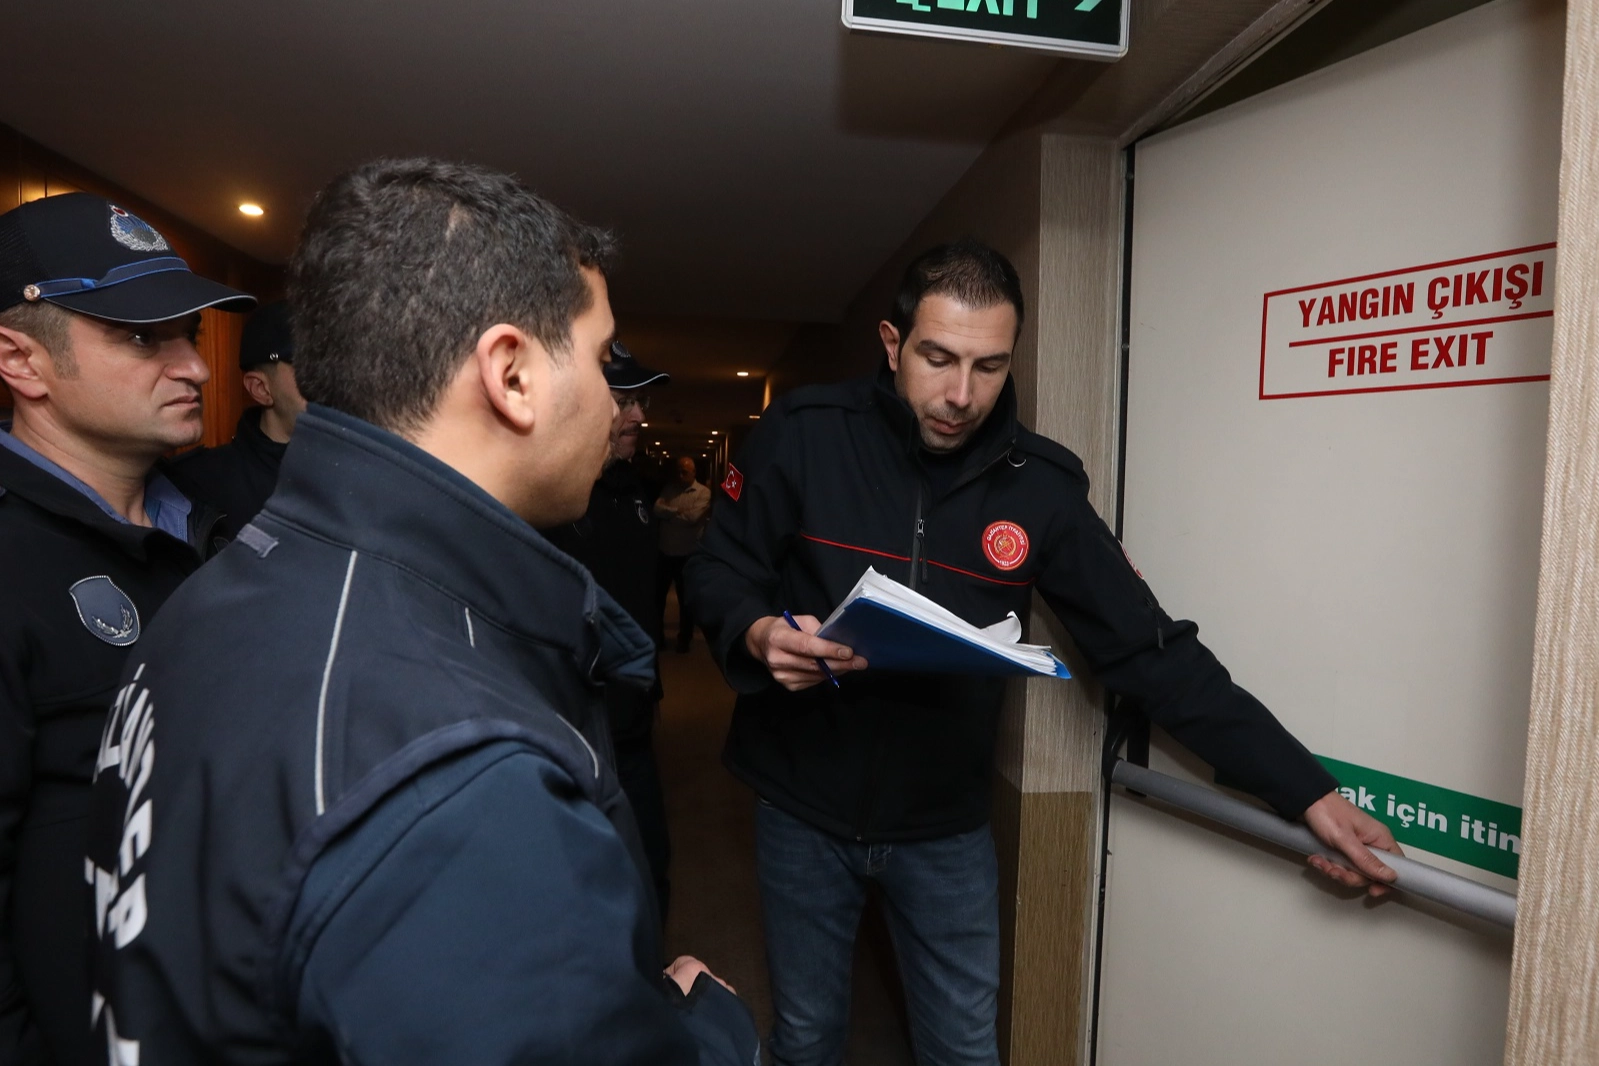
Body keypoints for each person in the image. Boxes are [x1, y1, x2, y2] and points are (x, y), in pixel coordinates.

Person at [86, 158, 757, 1066]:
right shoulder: (465, 781)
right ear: (511, 373)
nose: (614, 402)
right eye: (601, 361)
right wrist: (702, 1034)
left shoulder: (227, 582)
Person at [684, 239, 1401, 1066]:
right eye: (936, 358)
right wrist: (756, 631)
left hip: (943, 823)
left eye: (988, 367)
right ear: (891, 344)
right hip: (798, 801)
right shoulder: (803, 435)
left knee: (964, 1049)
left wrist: (1304, 790)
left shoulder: (1041, 488)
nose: (959, 396)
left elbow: (1152, 652)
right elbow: (718, 570)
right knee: (807, 1039)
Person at [0, 191, 255, 1066]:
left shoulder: (222, 532)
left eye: (189, 334)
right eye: (144, 338)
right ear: (22, 362)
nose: (195, 367)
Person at [542, 340, 674, 918]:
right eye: (623, 401)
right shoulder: (551, 500)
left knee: (650, 872)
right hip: (571, 733)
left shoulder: (635, 493)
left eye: (640, 401)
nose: (639, 416)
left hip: (632, 728)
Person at [167, 301, 305, 541]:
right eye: (310, 366)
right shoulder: (194, 487)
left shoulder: (368, 471)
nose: (332, 380)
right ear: (260, 389)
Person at [655, 455, 711, 652]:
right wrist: (679, 512)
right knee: (658, 599)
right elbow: (656, 509)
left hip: (687, 554)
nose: (680, 475)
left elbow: (693, 518)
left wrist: (669, 513)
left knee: (685, 601)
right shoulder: (669, 489)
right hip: (664, 552)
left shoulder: (703, 493)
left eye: (685, 472)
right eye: (678, 471)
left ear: (694, 473)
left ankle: (684, 639)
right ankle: (657, 637)